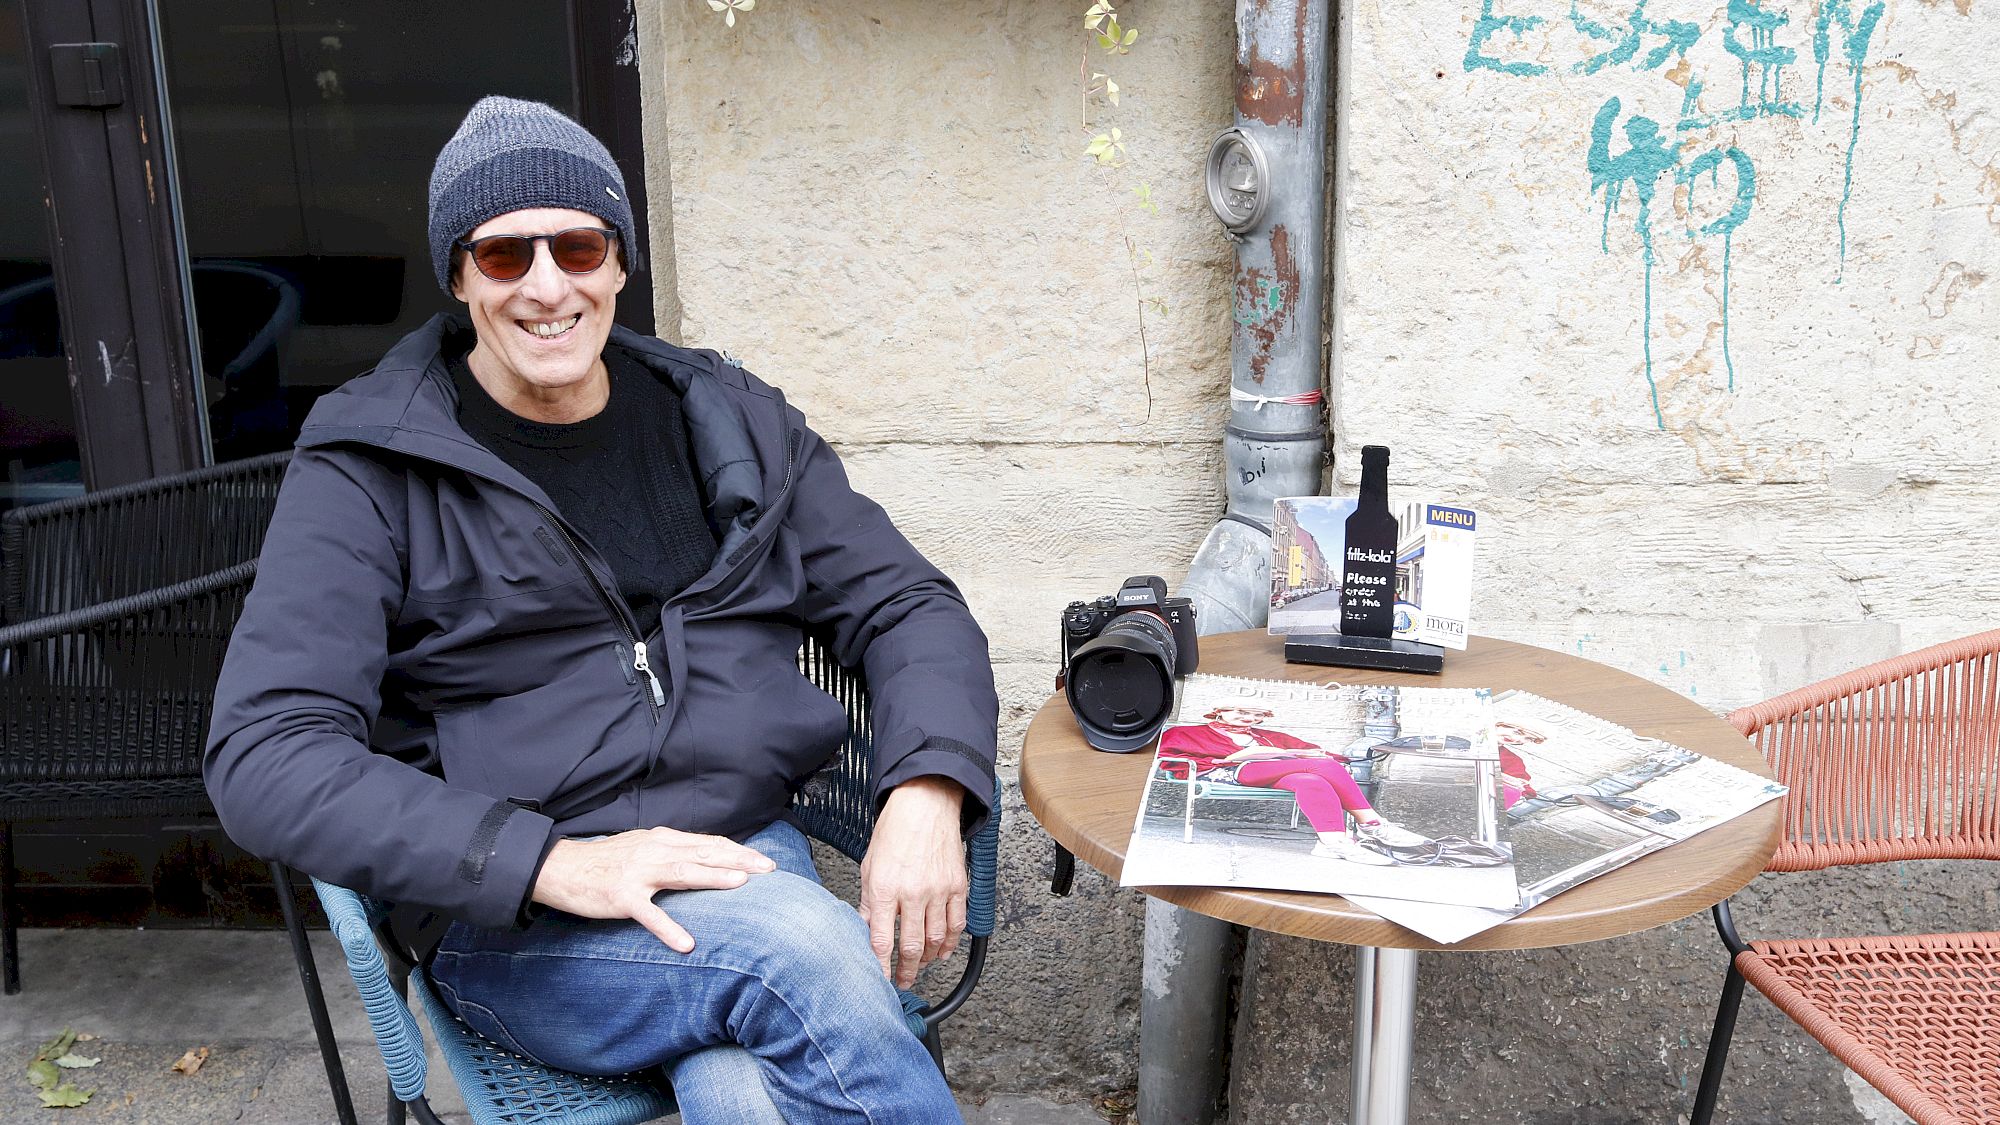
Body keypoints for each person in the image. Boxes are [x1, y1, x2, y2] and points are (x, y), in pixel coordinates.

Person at [204, 97, 997, 1125]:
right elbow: (266, 751)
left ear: (618, 262)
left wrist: (928, 786)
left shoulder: (730, 421)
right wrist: (543, 860)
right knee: (803, 957)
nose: (546, 286)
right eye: (503, 257)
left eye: (576, 246)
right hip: (519, 923)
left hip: (741, 855)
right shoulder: (370, 465)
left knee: (745, 1093)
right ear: (457, 276)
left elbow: (906, 602)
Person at [1157, 705, 1427, 865]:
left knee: (1311, 780)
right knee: (1323, 767)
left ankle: (1332, 842)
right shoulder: (1187, 733)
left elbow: (1313, 752)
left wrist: (1301, 754)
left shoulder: (1270, 736)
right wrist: (1228, 757)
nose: (1247, 718)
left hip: (1274, 772)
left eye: (1254, 714)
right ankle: (1374, 825)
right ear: (1219, 712)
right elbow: (1167, 754)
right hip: (1230, 772)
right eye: (1240, 712)